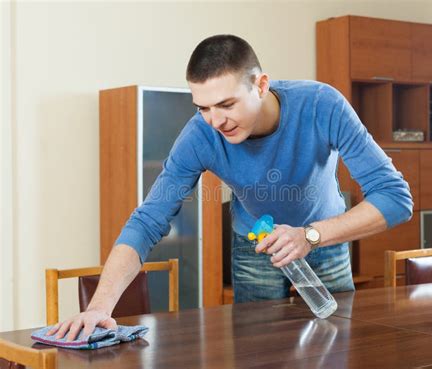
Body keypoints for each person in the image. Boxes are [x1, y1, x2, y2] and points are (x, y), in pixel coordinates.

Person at [48, 34, 413, 341]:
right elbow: (147, 221)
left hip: (325, 242)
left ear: (261, 85)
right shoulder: (200, 135)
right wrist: (98, 308)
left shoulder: (322, 105)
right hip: (255, 249)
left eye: (226, 104)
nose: (215, 121)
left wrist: (311, 236)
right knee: (259, 351)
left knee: (334, 343)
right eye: (203, 107)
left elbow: (395, 199)